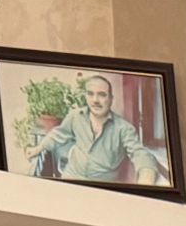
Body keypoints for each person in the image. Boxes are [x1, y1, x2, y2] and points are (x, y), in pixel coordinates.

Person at [29, 72, 163, 185]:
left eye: (102, 95)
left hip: (99, 189)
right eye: (90, 94)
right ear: (86, 96)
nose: (95, 100)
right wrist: (38, 148)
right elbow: (58, 134)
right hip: (70, 178)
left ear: (111, 99)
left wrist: (146, 177)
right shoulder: (75, 116)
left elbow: (140, 154)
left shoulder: (123, 128)